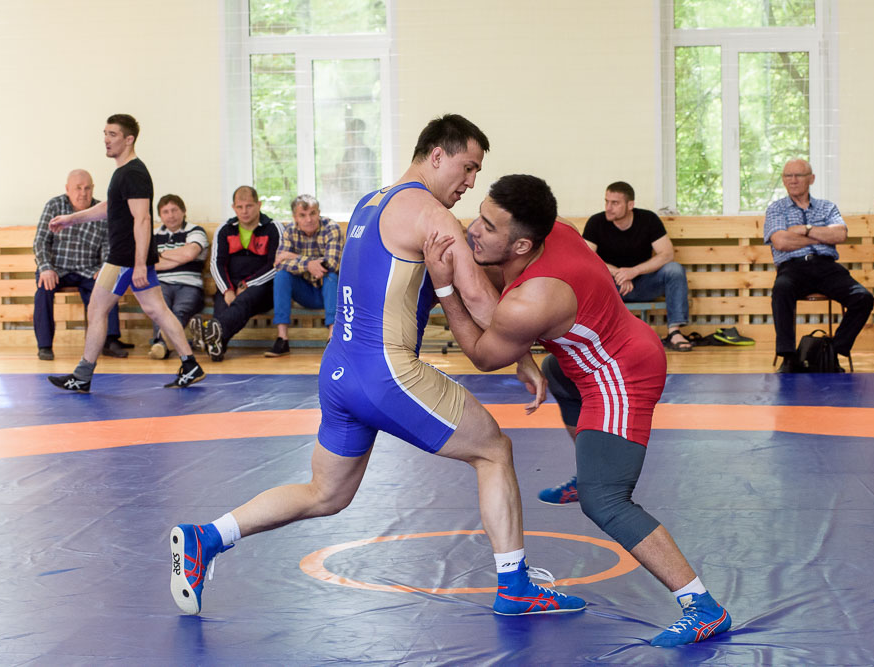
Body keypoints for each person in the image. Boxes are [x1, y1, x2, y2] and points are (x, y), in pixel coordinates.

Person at [169, 114, 584, 617]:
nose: (472, 182)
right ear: (438, 155)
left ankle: (207, 537)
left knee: (326, 494)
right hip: (387, 375)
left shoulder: (370, 201)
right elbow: (483, 305)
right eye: (469, 167)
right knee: (494, 450)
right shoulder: (434, 216)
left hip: (340, 371)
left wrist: (516, 353)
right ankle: (515, 586)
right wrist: (533, 342)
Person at [422, 174, 730, 647]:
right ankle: (589, 466)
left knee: (604, 500)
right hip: (590, 356)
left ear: (522, 244)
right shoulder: (557, 229)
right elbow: (503, 295)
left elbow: (484, 355)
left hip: (620, 375)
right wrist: (524, 353)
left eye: (489, 226)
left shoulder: (533, 301)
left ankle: (704, 607)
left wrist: (445, 289)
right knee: (558, 372)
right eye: (480, 215)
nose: (473, 229)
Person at [46, 114, 205, 392]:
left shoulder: (133, 173)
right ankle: (190, 364)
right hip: (130, 257)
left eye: (113, 135)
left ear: (129, 139)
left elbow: (143, 219)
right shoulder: (124, 172)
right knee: (156, 309)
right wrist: (72, 219)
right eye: (105, 133)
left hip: (125, 259)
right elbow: (110, 207)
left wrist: (140, 264)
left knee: (97, 309)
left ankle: (82, 376)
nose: (106, 140)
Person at [765, 159, 874, 373]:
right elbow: (781, 242)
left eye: (799, 175)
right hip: (793, 267)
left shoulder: (827, 207)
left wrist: (804, 229)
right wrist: (820, 235)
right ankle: (788, 357)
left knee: (863, 298)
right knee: (781, 289)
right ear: (784, 180)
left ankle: (834, 350)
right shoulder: (776, 209)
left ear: (811, 179)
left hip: (827, 267)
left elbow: (839, 235)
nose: (793, 180)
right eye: (788, 176)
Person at [583, 181, 693, 351]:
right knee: (586, 277)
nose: (608, 208)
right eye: (606, 201)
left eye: (615, 203)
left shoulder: (648, 220)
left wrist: (634, 272)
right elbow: (587, 258)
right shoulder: (596, 222)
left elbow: (667, 254)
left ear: (630, 205)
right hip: (611, 287)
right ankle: (594, 337)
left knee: (674, 270)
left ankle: (674, 333)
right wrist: (619, 274)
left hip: (643, 284)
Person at [33, 169, 130, 361]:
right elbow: (41, 241)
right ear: (67, 189)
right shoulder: (54, 205)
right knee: (43, 289)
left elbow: (108, 245)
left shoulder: (101, 210)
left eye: (87, 188)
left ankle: (109, 341)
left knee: (108, 284)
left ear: (93, 188)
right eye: (78, 188)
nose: (83, 193)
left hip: (89, 270)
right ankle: (44, 346)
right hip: (57, 268)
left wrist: (104, 269)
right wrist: (46, 267)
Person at [190, 186, 282, 362]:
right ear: (233, 207)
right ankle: (216, 347)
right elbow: (216, 264)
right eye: (240, 207)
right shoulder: (225, 229)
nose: (244, 211)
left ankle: (207, 331)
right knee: (223, 307)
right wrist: (227, 290)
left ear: (259, 205)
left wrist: (246, 285)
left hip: (262, 288)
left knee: (243, 301)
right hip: (230, 286)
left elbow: (276, 265)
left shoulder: (273, 228)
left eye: (249, 206)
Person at [264, 194, 343, 357]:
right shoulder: (290, 231)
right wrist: (309, 264)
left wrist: (294, 257)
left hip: (329, 292)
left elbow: (331, 264)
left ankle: (332, 338)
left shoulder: (332, 228)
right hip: (304, 292)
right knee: (281, 276)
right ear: (295, 217)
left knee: (331, 276)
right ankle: (282, 339)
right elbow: (279, 264)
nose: (309, 219)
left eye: (313, 213)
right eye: (303, 215)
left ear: (319, 212)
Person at [149, 194, 209, 360]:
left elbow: (190, 253)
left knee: (179, 310)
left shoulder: (195, 231)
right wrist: (180, 257)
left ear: (183, 211)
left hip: (189, 284)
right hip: (161, 283)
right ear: (160, 216)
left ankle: (161, 344)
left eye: (174, 210)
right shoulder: (153, 235)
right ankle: (163, 344)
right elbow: (150, 264)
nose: (171, 215)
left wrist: (161, 254)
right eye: (165, 211)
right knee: (160, 308)